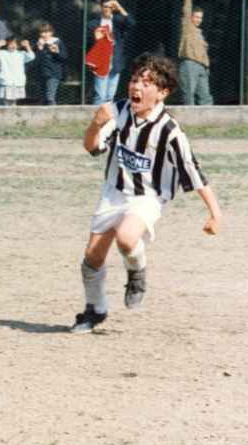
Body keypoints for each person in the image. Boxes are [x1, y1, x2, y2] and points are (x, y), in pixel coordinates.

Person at [70, 53, 222, 334]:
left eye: (147, 83)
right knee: (92, 257)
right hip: (114, 191)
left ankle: (137, 272)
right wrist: (95, 123)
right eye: (134, 80)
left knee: (127, 238)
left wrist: (215, 213)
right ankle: (95, 310)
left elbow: (193, 171)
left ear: (162, 93)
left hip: (148, 196)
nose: (136, 87)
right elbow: (91, 147)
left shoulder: (170, 131)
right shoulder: (118, 111)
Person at [87, 0, 134, 103]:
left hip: (115, 60)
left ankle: (107, 118)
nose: (108, 9)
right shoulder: (93, 24)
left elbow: (132, 24)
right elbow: (88, 44)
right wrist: (96, 39)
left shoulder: (118, 22)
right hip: (101, 61)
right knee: (100, 95)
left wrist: (120, 8)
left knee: (110, 95)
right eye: (105, 6)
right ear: (101, 7)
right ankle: (97, 118)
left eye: (111, 7)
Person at [177, 0, 212, 105]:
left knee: (205, 96)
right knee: (188, 94)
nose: (198, 20)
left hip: (202, 66)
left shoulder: (199, 32)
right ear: (191, 17)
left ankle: (208, 120)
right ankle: (189, 119)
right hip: (189, 64)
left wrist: (206, 66)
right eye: (196, 17)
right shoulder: (188, 27)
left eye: (200, 18)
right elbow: (186, 11)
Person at [0, 37, 35, 106]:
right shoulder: (2, 53)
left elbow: (31, 56)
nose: (12, 46)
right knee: (6, 102)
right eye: (10, 44)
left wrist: (27, 46)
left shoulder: (21, 54)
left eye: (14, 44)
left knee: (14, 102)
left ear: (18, 45)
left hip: (17, 81)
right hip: (6, 81)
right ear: (7, 45)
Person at [35, 24, 67, 105]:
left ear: (51, 32)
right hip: (42, 73)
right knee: (43, 98)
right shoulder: (39, 43)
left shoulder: (58, 42)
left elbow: (64, 57)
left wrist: (56, 52)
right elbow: (37, 60)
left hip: (54, 73)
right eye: (42, 32)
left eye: (46, 32)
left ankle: (54, 115)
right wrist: (40, 49)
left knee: (50, 97)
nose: (44, 34)